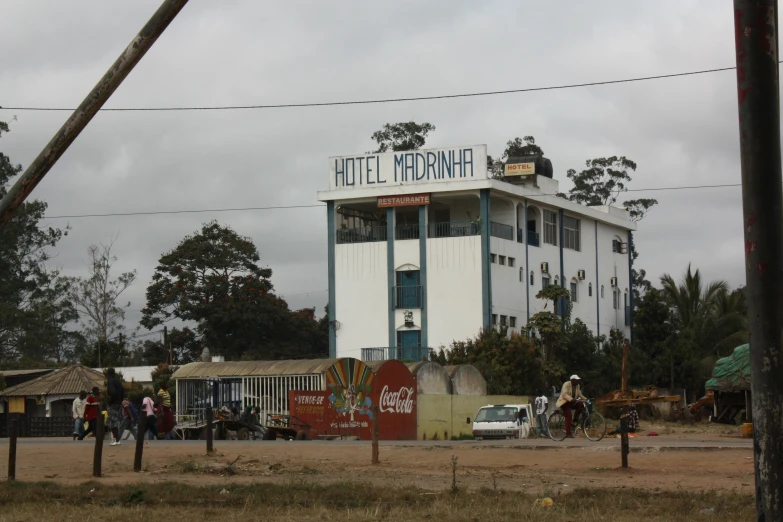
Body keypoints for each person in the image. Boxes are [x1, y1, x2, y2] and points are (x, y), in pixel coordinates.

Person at [106, 368, 125, 446]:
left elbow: (113, 392)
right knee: (115, 420)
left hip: (113, 403)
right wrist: (120, 401)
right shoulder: (118, 381)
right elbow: (123, 393)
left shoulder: (110, 381)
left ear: (108, 374)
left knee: (112, 421)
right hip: (118, 403)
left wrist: (109, 402)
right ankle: (116, 438)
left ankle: (116, 439)